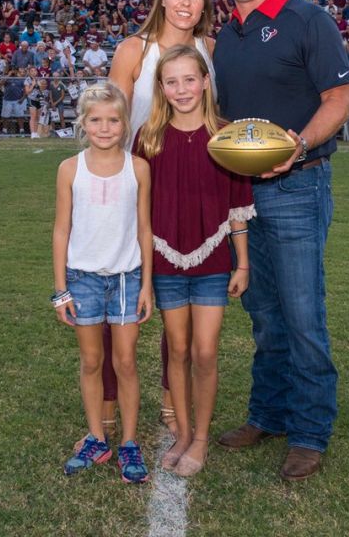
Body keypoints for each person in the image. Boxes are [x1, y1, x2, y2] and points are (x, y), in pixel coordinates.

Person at [212, 0, 349, 481]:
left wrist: (297, 144)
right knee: (263, 313)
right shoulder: (226, 34)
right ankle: (266, 413)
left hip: (297, 185)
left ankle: (310, 431)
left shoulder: (306, 19)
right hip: (242, 194)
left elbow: (338, 98)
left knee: (301, 315)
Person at [108, 0, 218, 437]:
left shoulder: (211, 48)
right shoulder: (134, 49)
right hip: (133, 189)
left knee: (177, 306)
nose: (186, 3)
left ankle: (174, 405)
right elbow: (110, 124)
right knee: (121, 305)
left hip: (186, 193)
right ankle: (108, 413)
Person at [134, 45, 254, 477]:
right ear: (161, 88)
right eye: (172, 81)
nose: (182, 89)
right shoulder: (148, 137)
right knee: (177, 350)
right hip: (165, 261)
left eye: (190, 79)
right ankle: (183, 432)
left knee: (205, 352)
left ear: (205, 82)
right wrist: (144, 277)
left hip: (212, 260)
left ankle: (200, 439)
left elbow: (239, 204)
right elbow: (140, 213)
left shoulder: (226, 136)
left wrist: (242, 263)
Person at [52, 83, 153, 484]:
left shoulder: (138, 168)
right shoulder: (69, 169)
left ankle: (129, 442)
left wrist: (147, 284)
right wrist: (61, 290)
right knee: (92, 361)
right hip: (83, 280)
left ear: (125, 124)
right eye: (96, 120)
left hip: (127, 278)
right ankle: (96, 437)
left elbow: (145, 229)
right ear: (83, 123)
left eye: (113, 120)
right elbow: (62, 230)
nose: (105, 128)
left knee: (125, 363)